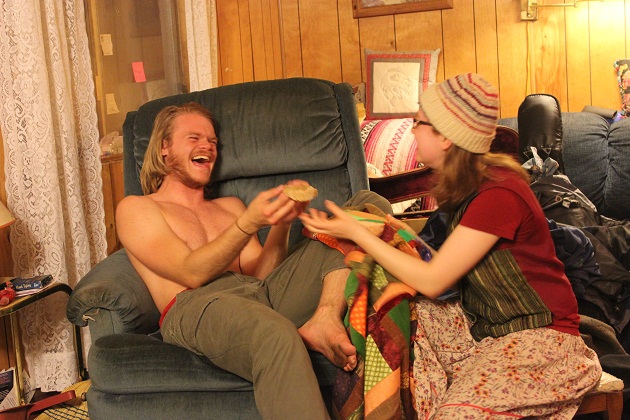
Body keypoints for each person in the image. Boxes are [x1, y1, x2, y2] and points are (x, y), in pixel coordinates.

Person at [299, 73, 602, 418]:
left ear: (445, 137)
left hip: (543, 340)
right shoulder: (470, 185)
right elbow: (445, 264)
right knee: (393, 301)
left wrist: (358, 233)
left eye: (419, 123)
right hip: (490, 329)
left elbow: (434, 280)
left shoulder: (499, 193)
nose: (412, 131)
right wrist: (391, 230)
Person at [115, 102, 392, 419]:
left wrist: (282, 222)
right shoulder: (137, 208)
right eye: (194, 138)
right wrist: (247, 223)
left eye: (212, 141)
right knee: (275, 334)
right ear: (164, 148)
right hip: (196, 304)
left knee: (366, 204)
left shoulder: (230, 206)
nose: (207, 146)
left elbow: (261, 276)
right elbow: (190, 272)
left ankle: (324, 316)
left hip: (259, 294)